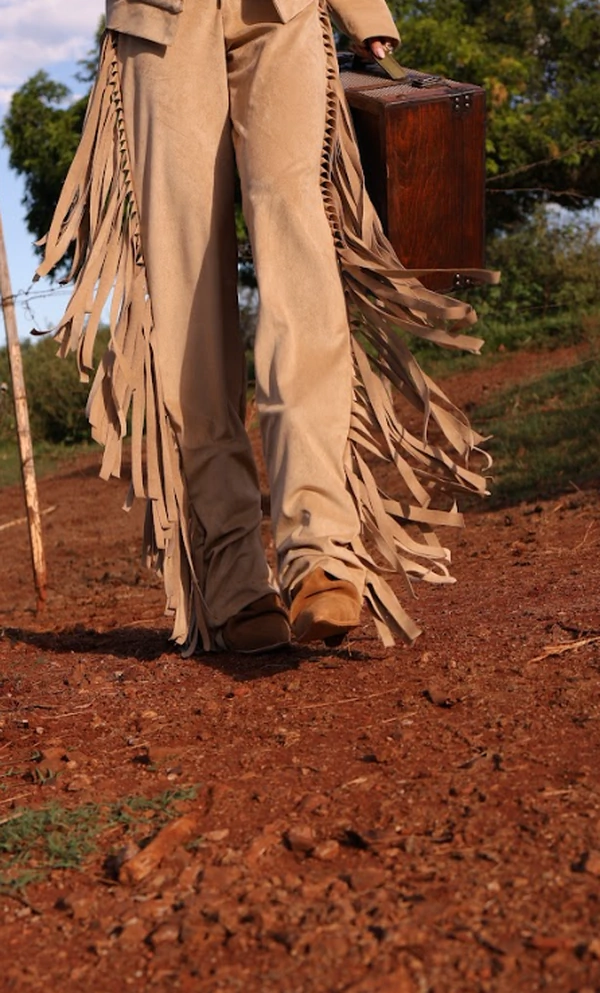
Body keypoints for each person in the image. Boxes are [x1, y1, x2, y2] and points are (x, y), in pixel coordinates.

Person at [37, 0, 495, 655]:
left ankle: (321, 548)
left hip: (283, 12)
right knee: (185, 300)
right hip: (161, 23)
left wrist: (363, 12)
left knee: (301, 251)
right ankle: (233, 578)